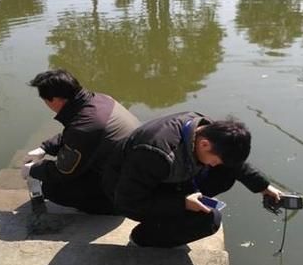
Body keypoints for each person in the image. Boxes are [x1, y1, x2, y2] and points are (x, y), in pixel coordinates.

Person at [103, 111, 282, 247]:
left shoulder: (205, 128)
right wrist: (182, 203)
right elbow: (127, 202)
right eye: (214, 160)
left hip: (166, 178)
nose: (213, 164)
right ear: (204, 144)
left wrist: (264, 187)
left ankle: (179, 211)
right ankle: (143, 237)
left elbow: (234, 163)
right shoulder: (155, 153)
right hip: (130, 193)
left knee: (227, 172)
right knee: (208, 221)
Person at [24, 69, 141, 215]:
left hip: (121, 194)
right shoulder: (101, 100)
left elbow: (63, 171)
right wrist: (45, 148)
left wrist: (34, 169)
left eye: (46, 100)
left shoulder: (84, 126)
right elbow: (75, 135)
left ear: (55, 99)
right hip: (130, 174)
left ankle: (104, 206)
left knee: (51, 187)